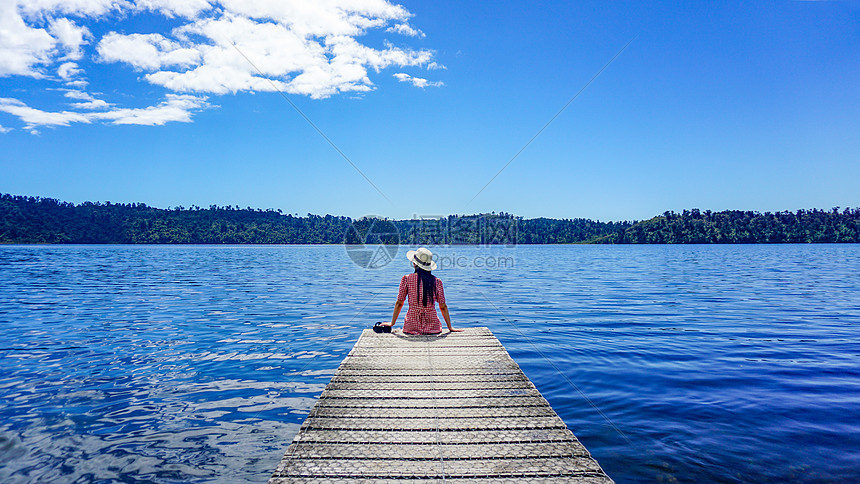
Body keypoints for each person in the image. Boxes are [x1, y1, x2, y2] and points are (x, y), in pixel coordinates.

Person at [383, 247, 462, 334]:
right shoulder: (437, 281)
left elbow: (399, 303)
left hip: (411, 327)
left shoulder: (406, 279)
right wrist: (450, 327)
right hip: (433, 327)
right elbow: (443, 306)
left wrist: (392, 323)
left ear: (414, 264)